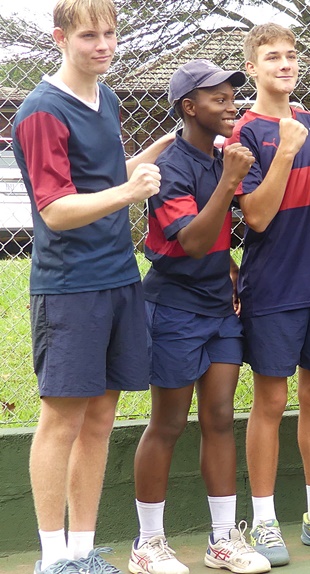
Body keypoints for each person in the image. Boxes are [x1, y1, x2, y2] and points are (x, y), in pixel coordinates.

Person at [11, 0, 173, 571]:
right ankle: (53, 559)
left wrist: (146, 161)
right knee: (62, 420)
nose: (103, 45)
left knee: (101, 419)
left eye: (110, 34)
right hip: (69, 287)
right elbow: (55, 210)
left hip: (119, 278)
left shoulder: (106, 98)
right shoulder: (39, 111)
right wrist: (130, 193)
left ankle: (83, 550)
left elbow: (99, 181)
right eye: (89, 36)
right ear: (60, 38)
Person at [129, 60, 271, 574]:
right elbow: (190, 241)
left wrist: (229, 265)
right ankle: (147, 544)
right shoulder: (170, 168)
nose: (233, 103)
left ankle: (221, 540)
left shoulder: (220, 156)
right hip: (173, 307)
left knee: (218, 417)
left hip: (218, 307)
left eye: (234, 94)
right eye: (219, 97)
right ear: (189, 108)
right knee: (167, 423)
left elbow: (217, 241)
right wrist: (230, 180)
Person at [228, 23, 310, 566]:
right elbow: (256, 215)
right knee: (272, 400)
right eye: (272, 58)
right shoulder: (243, 132)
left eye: (291, 56)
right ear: (253, 69)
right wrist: (284, 150)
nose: (285, 64)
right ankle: (261, 521)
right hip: (273, 285)